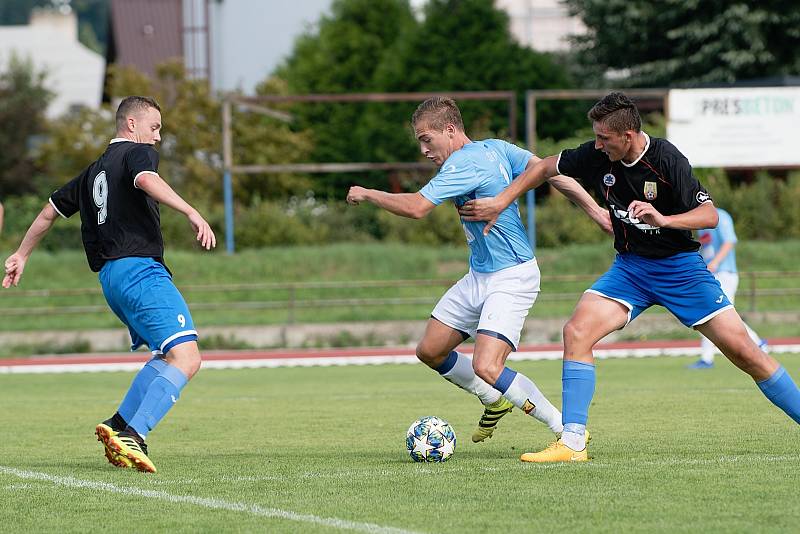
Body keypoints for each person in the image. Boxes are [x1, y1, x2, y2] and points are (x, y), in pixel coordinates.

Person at [459, 91, 800, 462]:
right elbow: (543, 168)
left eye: (604, 137)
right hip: (631, 270)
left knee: (747, 355)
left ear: (629, 135)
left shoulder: (667, 160)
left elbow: (710, 216)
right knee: (576, 331)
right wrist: (501, 201)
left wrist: (664, 219)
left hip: (681, 271)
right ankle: (573, 442)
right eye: (597, 136)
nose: (598, 144)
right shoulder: (597, 154)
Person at [346, 97, 611, 445]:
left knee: (486, 366)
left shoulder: (463, 165)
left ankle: (565, 431)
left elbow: (417, 208)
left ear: (451, 130)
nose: (424, 149)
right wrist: (596, 213)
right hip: (479, 275)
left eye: (427, 139)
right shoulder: (496, 148)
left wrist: (367, 193)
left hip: (511, 276)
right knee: (430, 350)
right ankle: (491, 398)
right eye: (420, 141)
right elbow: (551, 171)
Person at [3, 96, 216, 473]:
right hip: (139, 270)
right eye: (155, 127)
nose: (158, 137)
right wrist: (190, 210)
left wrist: (22, 254)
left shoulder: (91, 173)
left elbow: (49, 212)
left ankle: (119, 425)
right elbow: (146, 179)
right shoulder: (137, 153)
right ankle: (135, 436)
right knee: (187, 357)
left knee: (166, 355)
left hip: (111, 278)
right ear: (131, 125)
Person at [689, 207, 766, 369]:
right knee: (714, 314)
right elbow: (705, 248)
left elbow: (729, 241)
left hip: (724, 273)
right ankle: (757, 343)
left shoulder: (720, 215)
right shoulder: (700, 222)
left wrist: (715, 262)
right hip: (712, 274)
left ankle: (707, 358)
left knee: (717, 314)